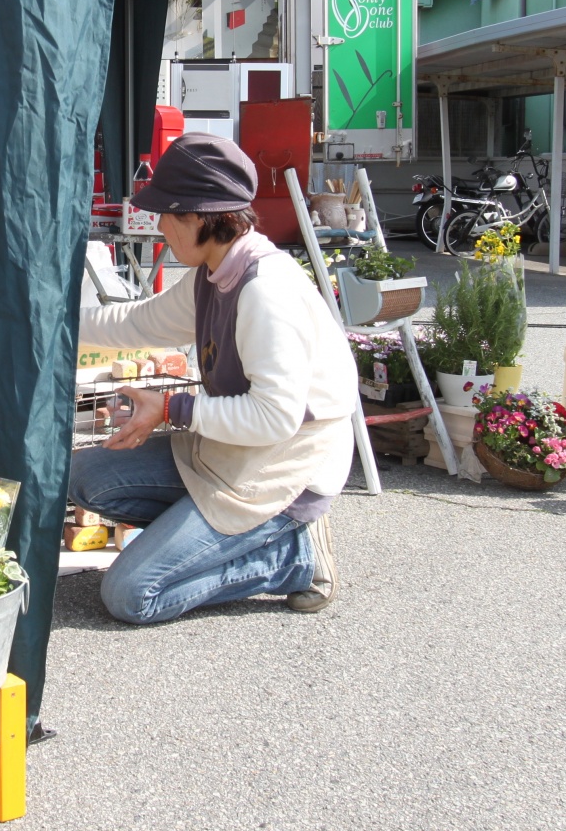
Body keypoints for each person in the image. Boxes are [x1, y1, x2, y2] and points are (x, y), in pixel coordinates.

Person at [70, 133, 358, 623]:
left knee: (131, 595)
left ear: (200, 217)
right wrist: (48, 325)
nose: (158, 225)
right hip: (231, 449)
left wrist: (168, 410)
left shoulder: (266, 291)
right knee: (83, 479)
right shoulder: (214, 271)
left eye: (165, 212)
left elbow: (274, 418)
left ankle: (293, 557)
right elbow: (137, 322)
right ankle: (205, 539)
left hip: (287, 465)